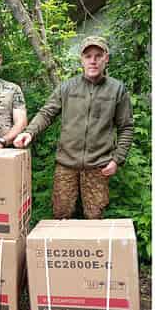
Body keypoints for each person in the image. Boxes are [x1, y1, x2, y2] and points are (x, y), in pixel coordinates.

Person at [14, 36, 134, 219]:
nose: (93, 61)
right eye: (88, 56)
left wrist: (117, 159)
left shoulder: (117, 90)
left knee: (95, 217)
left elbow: (126, 127)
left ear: (106, 58)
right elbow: (47, 113)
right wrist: (29, 132)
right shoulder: (67, 87)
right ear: (82, 59)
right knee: (61, 215)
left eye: (98, 55)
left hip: (98, 166)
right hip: (66, 164)